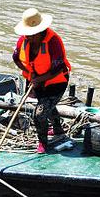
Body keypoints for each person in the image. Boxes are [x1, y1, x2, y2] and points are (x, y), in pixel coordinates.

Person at [13, 8, 73, 153]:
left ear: (40, 31)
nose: (29, 37)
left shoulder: (53, 42)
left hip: (56, 82)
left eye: (32, 35)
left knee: (39, 114)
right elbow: (16, 57)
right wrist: (29, 73)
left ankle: (43, 142)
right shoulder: (23, 40)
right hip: (36, 80)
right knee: (46, 106)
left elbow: (59, 68)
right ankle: (58, 130)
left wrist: (40, 79)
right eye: (27, 34)